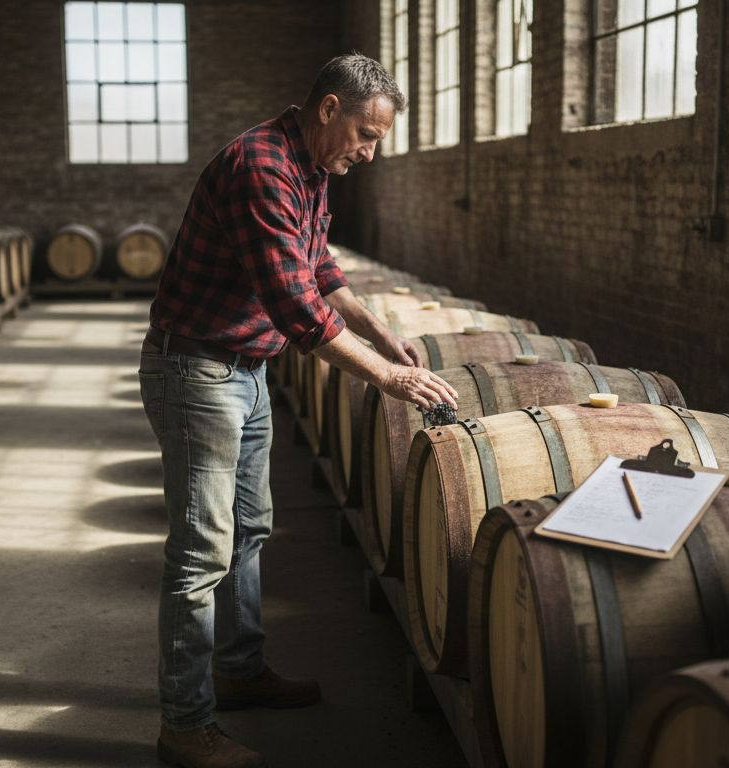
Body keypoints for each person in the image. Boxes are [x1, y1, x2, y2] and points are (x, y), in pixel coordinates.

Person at [138, 53, 458, 768]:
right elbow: (296, 308)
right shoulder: (260, 166)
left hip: (245, 370)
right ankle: (183, 725)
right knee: (199, 554)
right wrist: (387, 379)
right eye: (367, 135)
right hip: (197, 371)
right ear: (329, 110)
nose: (370, 153)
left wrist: (381, 333)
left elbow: (322, 271)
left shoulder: (310, 168)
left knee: (250, 529)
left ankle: (240, 669)